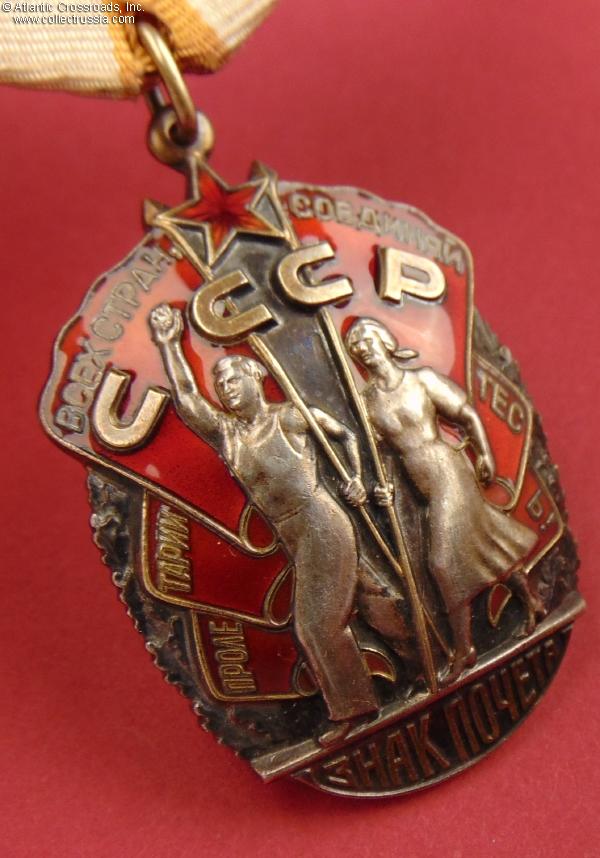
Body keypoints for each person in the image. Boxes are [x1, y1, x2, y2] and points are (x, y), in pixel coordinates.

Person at [149, 302, 387, 735]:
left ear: (255, 377)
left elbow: (345, 434)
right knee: (366, 610)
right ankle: (387, 679)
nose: (224, 389)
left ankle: (356, 710)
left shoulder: (290, 417)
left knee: (317, 625)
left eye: (232, 379)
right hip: (292, 535)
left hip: (321, 521)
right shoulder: (229, 434)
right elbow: (187, 399)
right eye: (219, 383)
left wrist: (355, 478)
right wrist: (169, 344)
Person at [345, 317, 545, 685]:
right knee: (485, 542)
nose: (364, 350)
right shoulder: (369, 400)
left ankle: (464, 648)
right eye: (356, 347)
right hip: (419, 483)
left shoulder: (421, 380)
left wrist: (485, 452)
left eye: (368, 341)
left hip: (448, 471)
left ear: (386, 341)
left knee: (442, 563)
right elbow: (383, 453)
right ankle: (531, 601)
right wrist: (384, 486)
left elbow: (465, 414)